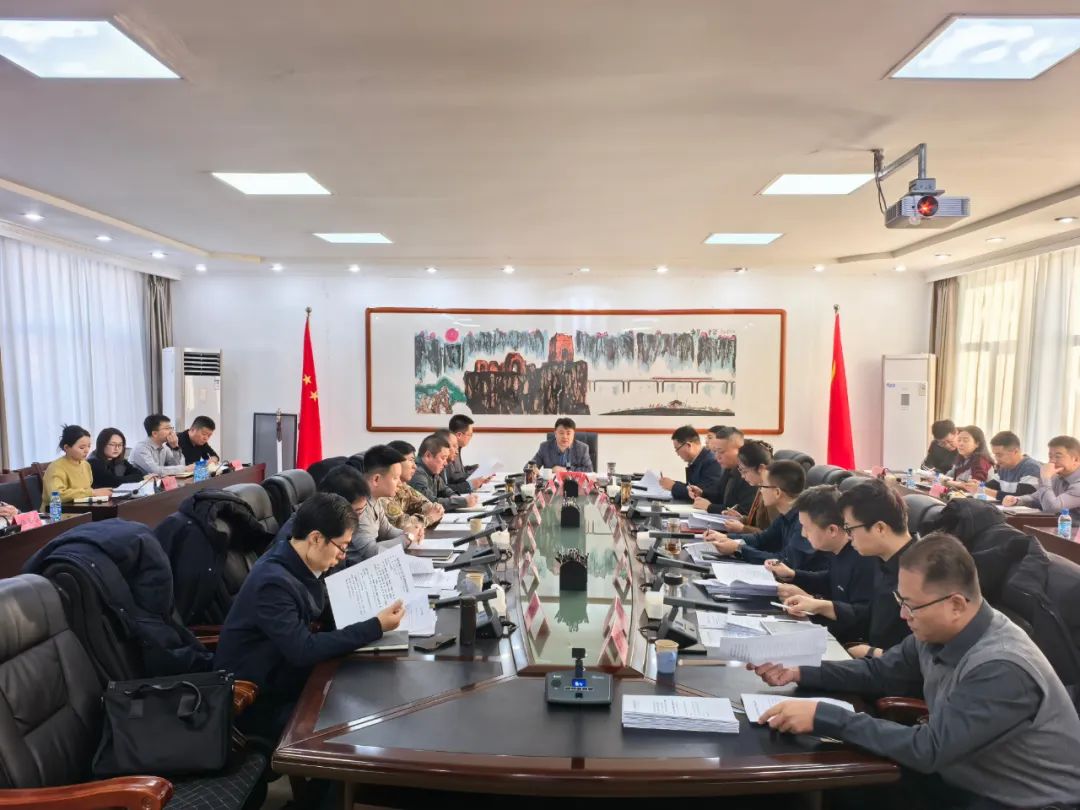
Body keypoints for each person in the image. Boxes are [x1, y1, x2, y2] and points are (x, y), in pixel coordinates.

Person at [751, 533, 1080, 810]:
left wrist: (825, 717)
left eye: (911, 605)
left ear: (956, 604)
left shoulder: (1002, 667)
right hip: (963, 774)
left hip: (1020, 799)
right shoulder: (937, 631)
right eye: (901, 600)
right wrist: (799, 672)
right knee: (838, 787)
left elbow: (929, 750)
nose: (903, 615)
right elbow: (880, 672)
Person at [214, 493, 405, 743]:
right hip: (259, 698)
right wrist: (376, 625)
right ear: (315, 538)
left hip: (290, 675)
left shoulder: (297, 561)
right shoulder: (273, 583)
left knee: (373, 689)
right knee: (359, 723)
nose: (343, 555)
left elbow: (323, 611)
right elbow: (303, 650)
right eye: (342, 546)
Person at [767, 485, 878, 644]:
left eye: (807, 528)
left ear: (832, 530)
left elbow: (863, 617)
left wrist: (816, 603)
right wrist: (793, 575)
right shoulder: (835, 549)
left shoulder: (864, 558)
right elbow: (830, 579)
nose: (803, 534)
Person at [825, 478, 913, 657]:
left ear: (879, 528)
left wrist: (873, 652)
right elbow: (873, 614)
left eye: (850, 529)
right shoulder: (882, 559)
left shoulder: (922, 572)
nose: (849, 537)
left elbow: (924, 656)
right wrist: (821, 606)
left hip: (890, 668)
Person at [702, 460, 825, 571]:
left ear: (777, 492)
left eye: (763, 486)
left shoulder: (804, 522)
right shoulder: (786, 514)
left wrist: (738, 549)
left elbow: (784, 561)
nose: (760, 491)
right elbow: (761, 539)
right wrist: (725, 537)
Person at [349, 445, 420, 564]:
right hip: (355, 569)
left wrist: (410, 531)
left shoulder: (375, 499)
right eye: (395, 478)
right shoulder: (360, 507)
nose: (400, 483)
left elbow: (387, 531)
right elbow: (372, 552)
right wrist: (408, 538)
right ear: (376, 479)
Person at [1005, 434, 1080, 521]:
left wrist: (1046, 478)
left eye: (1058, 456)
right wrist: (1017, 500)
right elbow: (1037, 497)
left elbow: (1051, 509)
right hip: (1058, 526)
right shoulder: (1057, 477)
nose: (1052, 461)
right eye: (1050, 457)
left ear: (1076, 459)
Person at [689, 425, 758, 515]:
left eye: (721, 451)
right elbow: (721, 497)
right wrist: (702, 493)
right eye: (715, 451)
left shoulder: (750, 474)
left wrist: (710, 507)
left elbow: (744, 512)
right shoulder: (729, 469)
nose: (717, 457)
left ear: (739, 450)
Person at [41, 425, 112, 511]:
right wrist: (92, 492)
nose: (87, 450)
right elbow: (56, 495)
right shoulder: (56, 468)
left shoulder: (85, 464)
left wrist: (97, 493)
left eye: (89, 446)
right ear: (66, 448)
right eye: (82, 447)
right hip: (58, 514)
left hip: (81, 509)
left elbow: (86, 490)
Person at [384, 440, 444, 532]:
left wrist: (436, 509)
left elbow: (426, 505)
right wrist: (429, 518)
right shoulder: (382, 492)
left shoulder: (403, 487)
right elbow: (402, 524)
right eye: (411, 460)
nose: (415, 466)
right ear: (395, 463)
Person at [413, 434, 479, 511]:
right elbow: (430, 503)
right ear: (428, 455)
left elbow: (444, 489)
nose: (446, 463)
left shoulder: (432, 471)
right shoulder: (416, 472)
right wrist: (463, 502)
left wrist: (455, 497)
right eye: (443, 458)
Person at [659, 425, 724, 503]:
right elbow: (691, 487)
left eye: (677, 449)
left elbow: (701, 492)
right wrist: (673, 483)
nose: (677, 454)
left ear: (688, 445)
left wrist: (673, 486)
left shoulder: (711, 462)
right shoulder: (698, 460)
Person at [984, 430, 1042, 501]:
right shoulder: (1004, 467)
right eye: (995, 455)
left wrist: (985, 490)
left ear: (1015, 451)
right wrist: (977, 485)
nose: (996, 459)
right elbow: (990, 486)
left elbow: (1020, 498)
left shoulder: (1031, 468)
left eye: (999, 455)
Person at [445, 415, 493, 493]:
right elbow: (446, 485)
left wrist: (475, 470)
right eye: (470, 435)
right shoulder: (446, 452)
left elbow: (457, 472)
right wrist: (472, 483)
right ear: (459, 435)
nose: (471, 438)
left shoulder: (458, 448)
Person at [527, 417, 593, 473]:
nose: (565, 436)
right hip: (552, 483)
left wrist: (566, 470)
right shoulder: (545, 447)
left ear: (573, 434)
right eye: (561, 433)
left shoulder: (582, 448)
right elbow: (528, 467)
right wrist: (534, 470)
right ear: (555, 433)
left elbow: (589, 470)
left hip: (574, 482)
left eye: (568, 433)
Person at [946, 425, 992, 489]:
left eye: (965, 440)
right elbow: (949, 476)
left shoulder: (981, 461)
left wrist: (948, 482)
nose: (961, 444)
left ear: (977, 444)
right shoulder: (962, 459)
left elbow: (973, 486)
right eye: (959, 440)